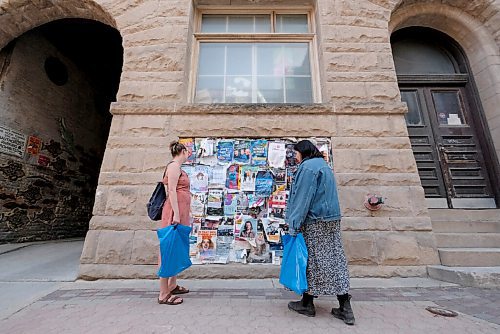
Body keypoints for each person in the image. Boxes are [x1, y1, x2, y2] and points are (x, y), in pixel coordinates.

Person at [285, 140, 355, 325]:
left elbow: (303, 198)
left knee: (310, 261)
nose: (295, 156)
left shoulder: (307, 168)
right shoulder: (323, 165)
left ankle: (307, 304)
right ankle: (345, 307)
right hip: (331, 219)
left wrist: (294, 224)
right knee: (335, 260)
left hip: (315, 221)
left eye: (296, 152)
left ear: (303, 151)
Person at [158, 141, 191, 306]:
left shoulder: (179, 168)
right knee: (168, 249)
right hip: (173, 213)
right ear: (182, 151)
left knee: (176, 247)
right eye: (188, 151)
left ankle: (172, 284)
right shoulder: (173, 167)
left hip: (180, 214)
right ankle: (163, 293)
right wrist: (176, 214)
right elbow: (171, 190)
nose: (189, 154)